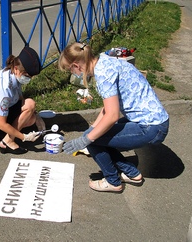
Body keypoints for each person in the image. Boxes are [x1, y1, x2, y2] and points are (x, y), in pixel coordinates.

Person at [58, 42, 169, 193]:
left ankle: (113, 181)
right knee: (93, 134)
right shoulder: (104, 60)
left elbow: (112, 116)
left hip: (150, 127)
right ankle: (132, 173)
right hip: (155, 120)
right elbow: (108, 106)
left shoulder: (102, 74)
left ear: (76, 65)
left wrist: (87, 138)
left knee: (93, 140)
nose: (72, 74)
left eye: (69, 69)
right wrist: (92, 129)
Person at [0, 46, 45, 155]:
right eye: (26, 75)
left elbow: (20, 97)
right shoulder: (4, 89)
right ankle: (7, 142)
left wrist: (36, 115)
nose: (29, 79)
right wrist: (24, 137)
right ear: (16, 68)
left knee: (31, 117)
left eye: (30, 76)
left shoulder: (12, 74)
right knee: (29, 109)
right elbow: (1, 124)